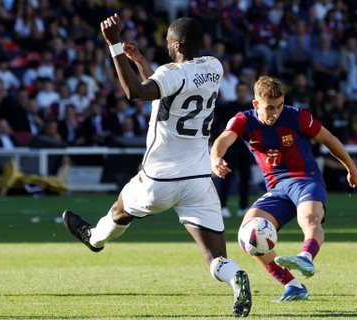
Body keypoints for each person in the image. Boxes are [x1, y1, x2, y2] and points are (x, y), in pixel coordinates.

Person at [62, 14, 252, 318]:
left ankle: (93, 239)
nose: (165, 43)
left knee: (119, 211)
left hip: (159, 179)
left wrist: (113, 46)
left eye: (167, 40)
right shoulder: (214, 67)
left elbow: (136, 93)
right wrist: (139, 62)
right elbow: (166, 90)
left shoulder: (169, 72)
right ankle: (235, 276)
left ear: (176, 43)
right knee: (215, 257)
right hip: (199, 181)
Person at [211, 76, 357, 302]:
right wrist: (215, 159)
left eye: (279, 106)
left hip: (305, 179)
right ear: (255, 104)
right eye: (270, 108)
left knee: (309, 217)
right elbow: (223, 139)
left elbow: (328, 139)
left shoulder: (296, 116)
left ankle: (306, 257)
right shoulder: (243, 120)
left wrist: (351, 166)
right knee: (247, 236)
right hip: (277, 188)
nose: (275, 113)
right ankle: (293, 285)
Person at [212, 82, 254, 218]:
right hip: (230, 148)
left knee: (245, 178)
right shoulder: (229, 107)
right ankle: (223, 206)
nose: (242, 93)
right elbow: (218, 126)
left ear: (248, 92)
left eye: (244, 90)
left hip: (246, 149)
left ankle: (244, 207)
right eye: (240, 91)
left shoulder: (252, 108)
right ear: (236, 92)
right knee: (226, 177)